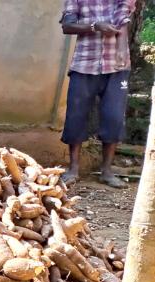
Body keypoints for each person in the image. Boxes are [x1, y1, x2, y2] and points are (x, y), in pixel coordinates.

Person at [60, 0, 136, 188]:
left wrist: (120, 48)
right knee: (76, 117)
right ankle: (74, 169)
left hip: (117, 66)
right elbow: (67, 26)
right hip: (84, 64)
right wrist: (95, 26)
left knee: (114, 117)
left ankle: (107, 171)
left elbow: (123, 18)